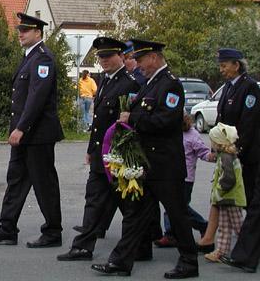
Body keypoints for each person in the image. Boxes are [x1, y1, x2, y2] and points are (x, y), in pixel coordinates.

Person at [91, 39, 198, 279]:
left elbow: (166, 121)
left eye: (140, 60)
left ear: (154, 57)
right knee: (136, 213)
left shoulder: (170, 85)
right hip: (146, 164)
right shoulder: (151, 83)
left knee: (177, 215)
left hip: (165, 165)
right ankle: (122, 261)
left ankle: (189, 261)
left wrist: (132, 119)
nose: (138, 65)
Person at [0, 12, 64, 248]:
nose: (20, 34)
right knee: (16, 180)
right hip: (25, 134)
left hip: (37, 134)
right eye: (19, 30)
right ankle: (7, 228)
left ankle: (53, 232)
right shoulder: (29, 57)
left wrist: (21, 128)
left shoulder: (43, 58)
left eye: (25, 30)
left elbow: (37, 97)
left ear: (38, 32)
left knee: (44, 183)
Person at [57, 37, 139, 261]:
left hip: (117, 155)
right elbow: (99, 121)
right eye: (101, 56)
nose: (104, 60)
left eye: (108, 56)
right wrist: (91, 149)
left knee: (128, 203)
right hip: (100, 154)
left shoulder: (129, 84)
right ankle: (84, 246)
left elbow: (128, 123)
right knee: (94, 198)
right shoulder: (104, 80)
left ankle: (141, 244)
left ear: (121, 56)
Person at [155, 113, 214, 248]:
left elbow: (203, 152)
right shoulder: (171, 132)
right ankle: (170, 234)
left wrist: (212, 156)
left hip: (186, 178)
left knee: (180, 208)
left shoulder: (192, 135)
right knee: (171, 206)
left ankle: (202, 225)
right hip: (170, 175)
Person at [215, 48, 260, 205]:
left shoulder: (249, 86)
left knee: (248, 197)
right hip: (227, 152)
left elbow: (248, 123)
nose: (221, 70)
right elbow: (221, 117)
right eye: (220, 66)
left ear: (236, 65)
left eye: (224, 66)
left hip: (245, 154)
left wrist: (237, 149)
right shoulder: (228, 86)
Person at [203, 123, 246, 263]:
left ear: (218, 142)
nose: (211, 144)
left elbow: (228, 179)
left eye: (212, 141)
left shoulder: (226, 158)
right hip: (226, 199)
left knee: (238, 227)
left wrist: (219, 191)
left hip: (231, 198)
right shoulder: (225, 156)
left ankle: (249, 250)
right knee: (224, 226)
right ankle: (221, 252)